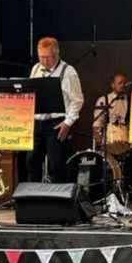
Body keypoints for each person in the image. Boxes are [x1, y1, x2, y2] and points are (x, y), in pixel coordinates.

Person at [27, 37, 84, 183]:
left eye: (48, 57)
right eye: (41, 57)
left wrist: (68, 123)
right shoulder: (36, 69)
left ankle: (57, 195)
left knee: (56, 164)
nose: (44, 61)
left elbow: (77, 100)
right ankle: (33, 194)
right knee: (32, 161)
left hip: (57, 123)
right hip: (37, 122)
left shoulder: (68, 72)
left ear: (57, 54)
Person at [92, 73, 130, 145]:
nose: (122, 85)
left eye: (124, 83)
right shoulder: (104, 100)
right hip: (108, 140)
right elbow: (97, 122)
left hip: (125, 141)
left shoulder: (130, 100)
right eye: (120, 83)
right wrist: (97, 138)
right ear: (113, 85)